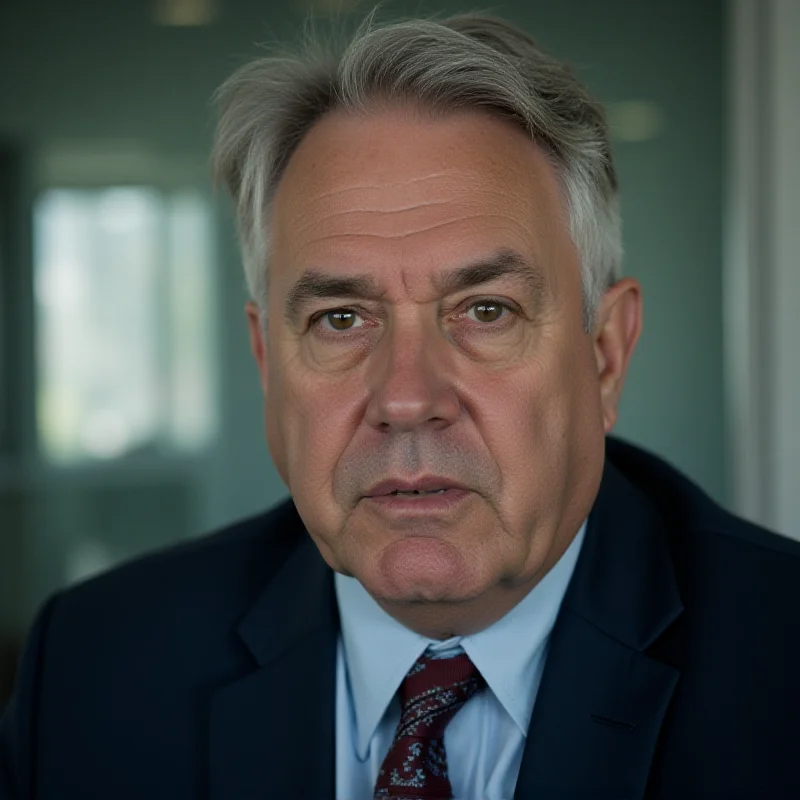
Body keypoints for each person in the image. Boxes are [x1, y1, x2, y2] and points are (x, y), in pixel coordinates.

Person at [2, 9, 799, 800]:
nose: (408, 398)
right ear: (267, 362)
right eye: (340, 319)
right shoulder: (96, 667)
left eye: (486, 310)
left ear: (605, 356)